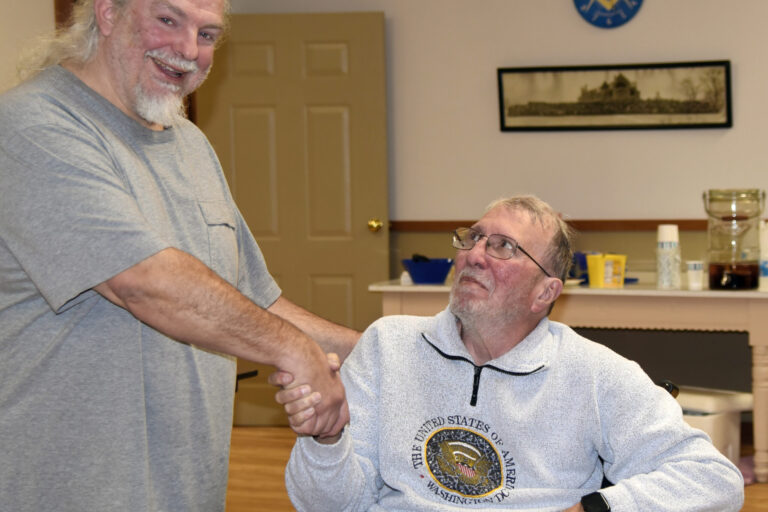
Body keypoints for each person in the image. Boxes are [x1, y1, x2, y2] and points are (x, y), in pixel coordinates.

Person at [0, 0, 357, 510]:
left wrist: (383, 352)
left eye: (208, 34)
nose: (188, 50)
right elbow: (144, 282)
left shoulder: (189, 143)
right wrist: (293, 351)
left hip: (187, 491)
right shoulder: (32, 126)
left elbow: (256, 304)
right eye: (168, 20)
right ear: (107, 13)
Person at [279, 195, 744, 511]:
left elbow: (714, 480)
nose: (475, 255)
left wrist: (595, 507)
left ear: (546, 292)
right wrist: (327, 441)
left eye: (503, 247)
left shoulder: (594, 373)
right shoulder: (388, 345)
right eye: (473, 238)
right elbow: (332, 504)